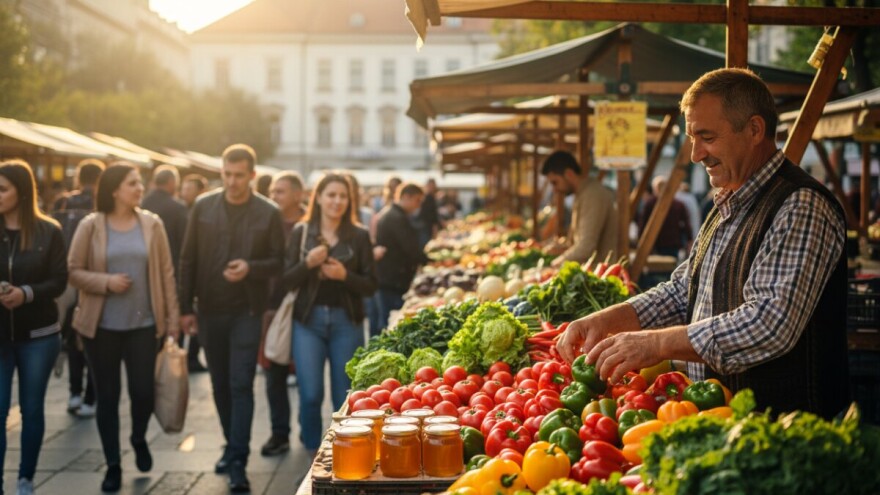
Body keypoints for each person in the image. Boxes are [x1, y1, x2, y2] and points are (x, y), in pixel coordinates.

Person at [557, 68, 848, 419]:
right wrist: (610, 319)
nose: (696, 154)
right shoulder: (727, 201)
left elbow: (769, 323)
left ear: (755, 130)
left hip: (780, 431)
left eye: (707, 137)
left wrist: (657, 343)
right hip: (720, 420)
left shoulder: (801, 206)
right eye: (693, 138)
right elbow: (684, 291)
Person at [67, 162, 180, 492]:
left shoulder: (152, 224)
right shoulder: (92, 225)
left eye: (140, 183)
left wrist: (172, 321)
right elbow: (72, 271)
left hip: (145, 325)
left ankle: (138, 436)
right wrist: (106, 281)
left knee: (143, 392)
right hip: (101, 327)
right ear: (114, 188)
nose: (139, 188)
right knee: (108, 396)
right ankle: (113, 464)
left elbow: (166, 274)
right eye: (133, 183)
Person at [178, 144, 284, 492]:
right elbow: (188, 258)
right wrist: (185, 308)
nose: (233, 181)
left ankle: (238, 459)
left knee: (241, 383)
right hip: (208, 308)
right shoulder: (204, 206)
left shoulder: (268, 212)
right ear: (221, 172)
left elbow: (279, 262)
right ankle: (230, 443)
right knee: (220, 384)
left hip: (247, 310)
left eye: (239, 175)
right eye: (227, 174)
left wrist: (250, 268)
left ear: (252, 176)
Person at [281, 172, 377, 457]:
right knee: (310, 394)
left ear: (350, 201)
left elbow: (371, 285)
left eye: (343, 196)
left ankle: (344, 448)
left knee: (344, 394)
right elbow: (285, 280)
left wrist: (344, 275)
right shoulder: (301, 233)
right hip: (307, 322)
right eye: (331, 195)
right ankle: (312, 448)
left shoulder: (359, 236)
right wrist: (308, 264)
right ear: (318, 198)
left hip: (346, 322)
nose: (337, 201)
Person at [0, 160, 68, 495]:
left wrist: (25, 294)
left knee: (32, 409)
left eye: (3, 189)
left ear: (22, 192)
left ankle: (25, 478)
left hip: (39, 336)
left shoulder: (49, 231)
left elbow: (59, 281)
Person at [52, 159, 104, 419]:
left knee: (72, 337)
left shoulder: (62, 203)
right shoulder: (102, 206)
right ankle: (90, 397)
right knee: (92, 338)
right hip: (92, 277)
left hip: (64, 278)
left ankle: (74, 391)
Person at [259, 170, 306, 458]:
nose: (274, 196)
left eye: (281, 191)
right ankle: (279, 433)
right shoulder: (265, 220)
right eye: (273, 191)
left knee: (307, 374)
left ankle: (310, 430)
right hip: (273, 306)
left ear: (298, 194)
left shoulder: (309, 223)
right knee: (273, 371)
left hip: (303, 306)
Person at [540, 150, 618, 266]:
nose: (554, 189)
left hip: (601, 276)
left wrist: (556, 263)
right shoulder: (583, 194)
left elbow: (586, 246)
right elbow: (578, 242)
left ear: (569, 174)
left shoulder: (592, 195)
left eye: (555, 182)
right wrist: (561, 248)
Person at [375, 183, 428, 331]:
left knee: (388, 320)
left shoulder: (393, 214)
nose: (419, 206)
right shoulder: (395, 217)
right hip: (392, 280)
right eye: (418, 201)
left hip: (391, 278)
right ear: (406, 197)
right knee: (389, 325)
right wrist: (426, 260)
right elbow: (409, 247)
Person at [637, 176, 692, 258]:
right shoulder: (678, 204)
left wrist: (640, 240)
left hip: (657, 243)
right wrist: (689, 240)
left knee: (656, 268)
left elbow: (643, 224)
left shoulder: (650, 204)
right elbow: (686, 225)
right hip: (667, 243)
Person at [414, 178, 442, 248]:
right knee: (425, 245)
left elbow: (433, 215)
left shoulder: (428, 197)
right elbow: (433, 216)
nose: (431, 188)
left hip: (424, 225)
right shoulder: (428, 197)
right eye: (430, 186)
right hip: (424, 226)